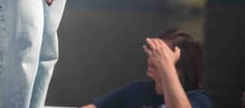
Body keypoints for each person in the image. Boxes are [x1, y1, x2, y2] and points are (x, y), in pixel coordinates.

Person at [80, 28, 213, 108]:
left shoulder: (199, 99)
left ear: (181, 65)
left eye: (160, 55)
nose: (151, 58)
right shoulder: (137, 90)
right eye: (152, 52)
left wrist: (167, 68)